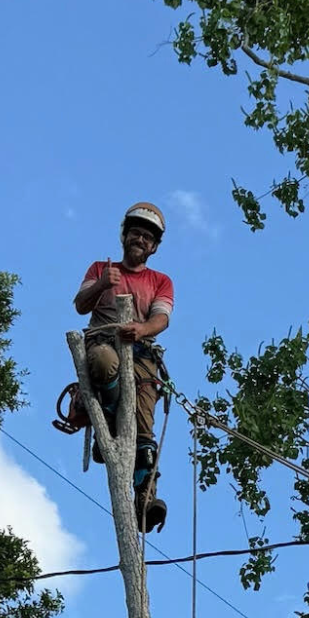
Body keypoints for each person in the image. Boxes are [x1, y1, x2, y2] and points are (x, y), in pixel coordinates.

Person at [74, 202, 173, 531]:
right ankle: (114, 423)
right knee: (104, 362)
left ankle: (145, 498)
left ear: (154, 246)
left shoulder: (160, 281)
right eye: (136, 233)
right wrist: (103, 284)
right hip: (102, 345)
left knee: (144, 424)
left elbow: (161, 317)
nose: (140, 240)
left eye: (147, 237)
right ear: (124, 235)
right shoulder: (100, 269)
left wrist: (142, 329)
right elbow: (80, 305)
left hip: (141, 355)